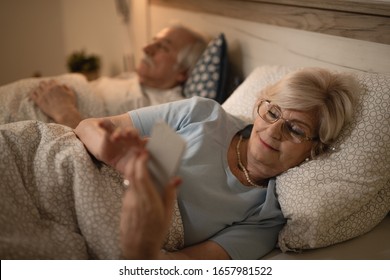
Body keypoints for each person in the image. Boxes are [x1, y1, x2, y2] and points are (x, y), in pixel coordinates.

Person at [74, 67, 359, 259]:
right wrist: (113, 155)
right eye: (272, 113)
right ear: (260, 106)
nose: (273, 131)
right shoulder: (203, 116)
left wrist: (143, 245)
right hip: (70, 165)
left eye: (295, 129)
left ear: (314, 149)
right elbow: (90, 127)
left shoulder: (265, 216)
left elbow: (183, 266)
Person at [29, 24, 208, 128]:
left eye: (163, 47)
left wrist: (64, 113)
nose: (146, 49)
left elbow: (122, 155)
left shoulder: (170, 109)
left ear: (183, 72)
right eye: (154, 42)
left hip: (44, 113)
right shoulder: (134, 78)